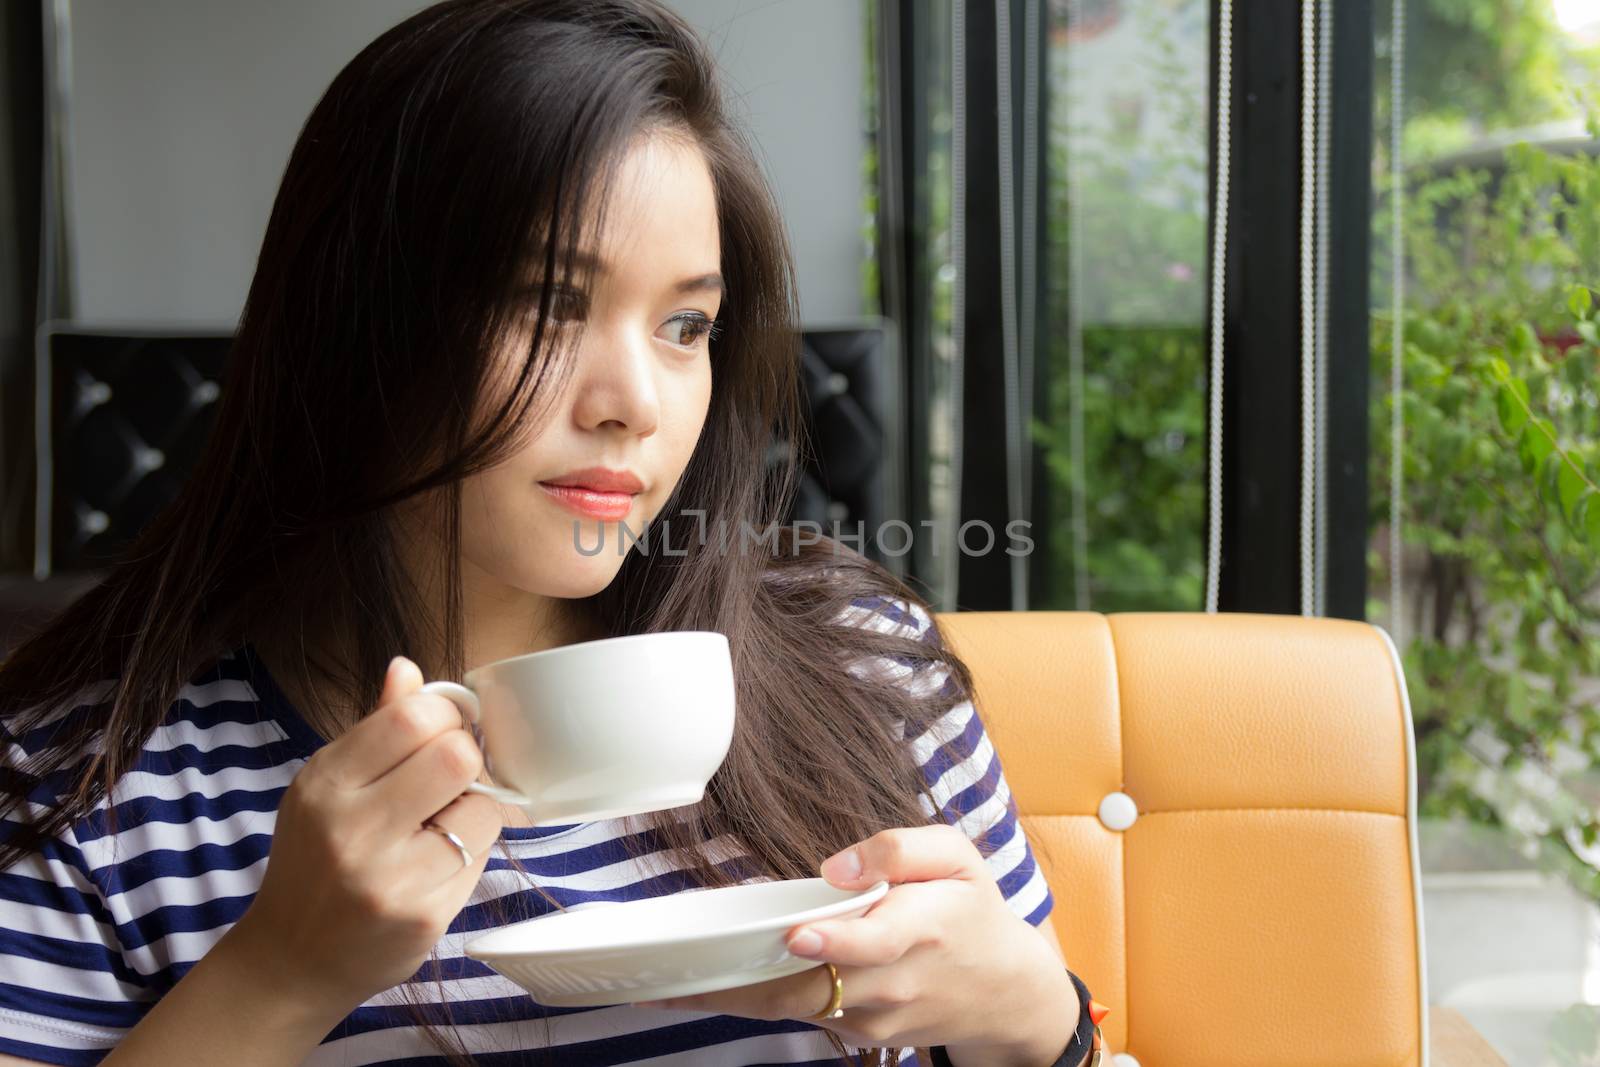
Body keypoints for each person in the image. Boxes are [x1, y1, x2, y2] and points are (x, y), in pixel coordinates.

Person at [0, 1, 1090, 1064]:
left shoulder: (862, 667)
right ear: (358, 323)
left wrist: (1035, 1021)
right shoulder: (84, 784)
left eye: (684, 326)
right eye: (547, 302)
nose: (636, 403)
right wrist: (280, 971)